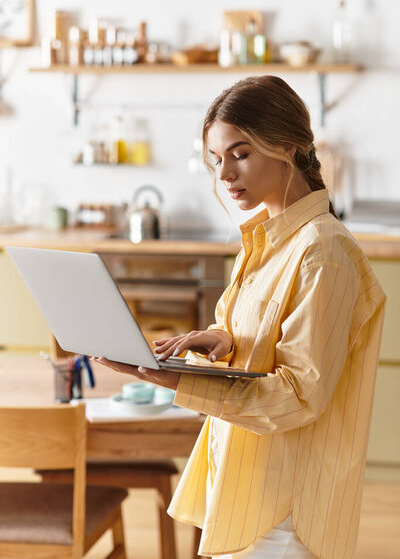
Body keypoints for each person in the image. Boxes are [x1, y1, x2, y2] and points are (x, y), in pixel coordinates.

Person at [94, 75, 386, 559]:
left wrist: (174, 382)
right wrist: (222, 340)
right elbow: (266, 339)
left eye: (241, 153)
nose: (225, 174)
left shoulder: (323, 252)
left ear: (288, 147)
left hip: (287, 506)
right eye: (216, 159)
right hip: (247, 482)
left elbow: (297, 396)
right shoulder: (265, 241)